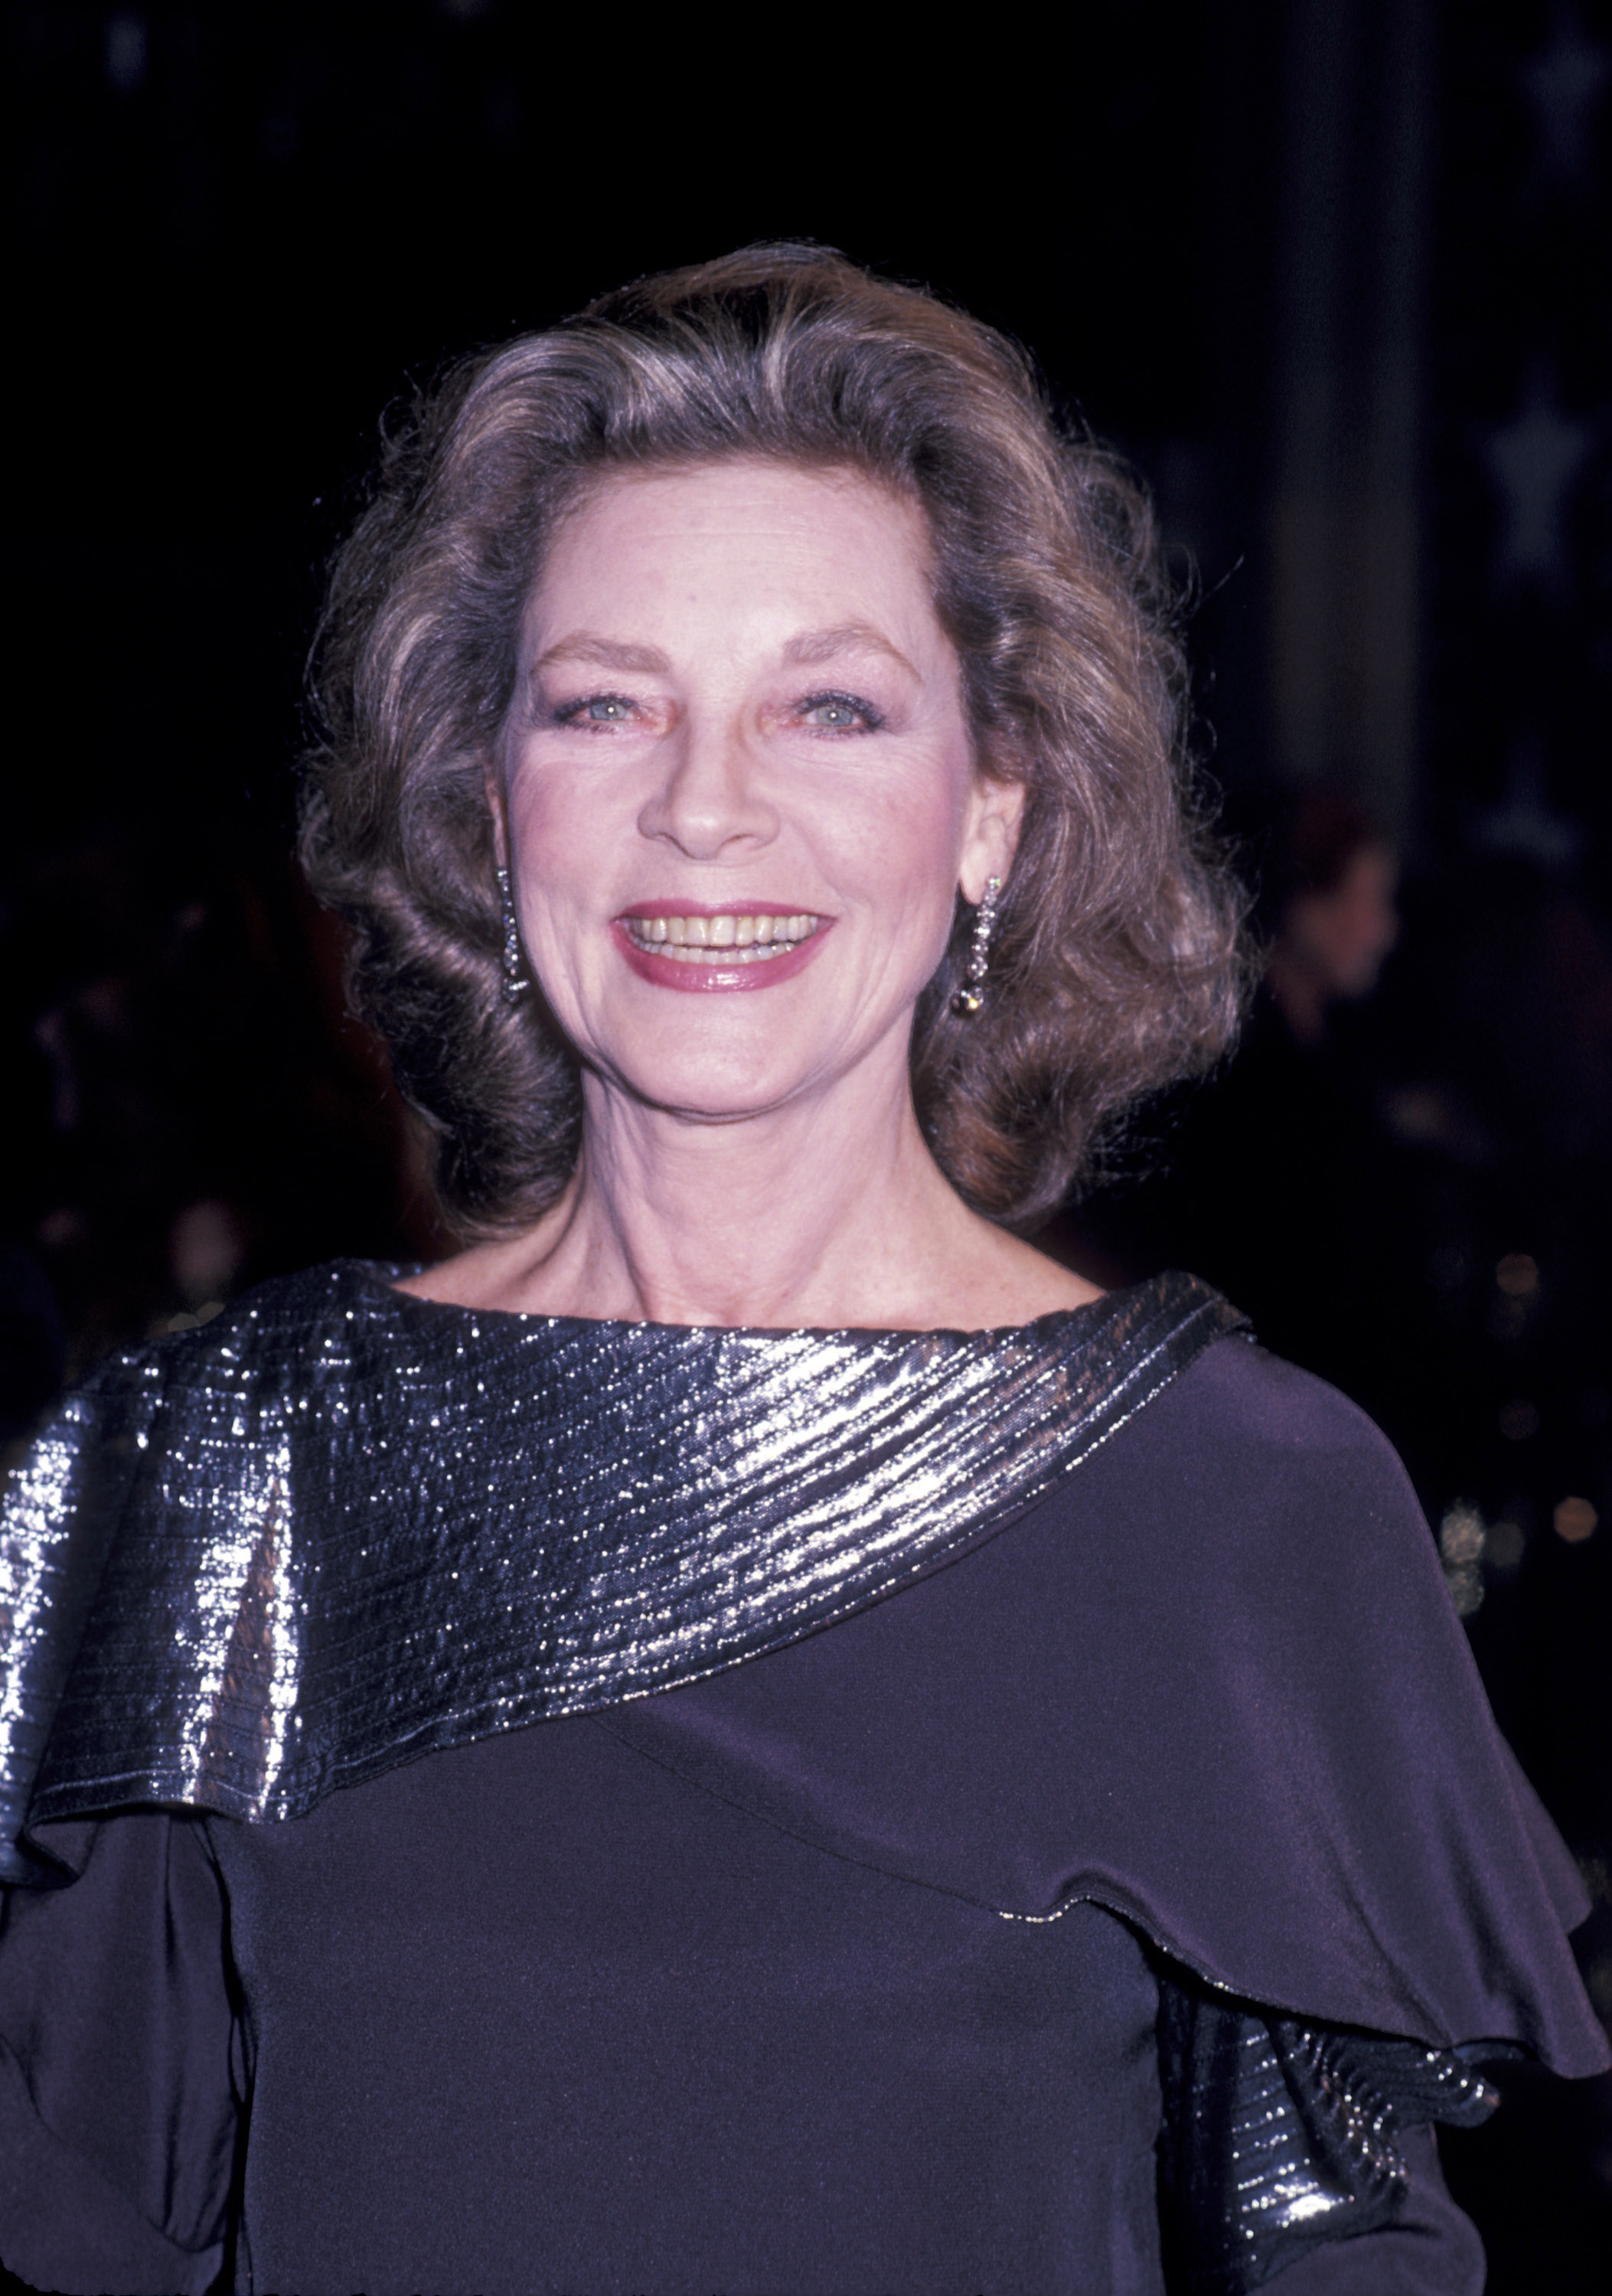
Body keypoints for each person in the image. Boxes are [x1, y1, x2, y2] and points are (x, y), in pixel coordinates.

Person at [0, 246, 1604, 2296]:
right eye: (606, 705)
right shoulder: (225, 1482)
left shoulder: (1233, 1512)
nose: (705, 809)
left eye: (827, 707)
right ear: (496, 812)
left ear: (991, 818)